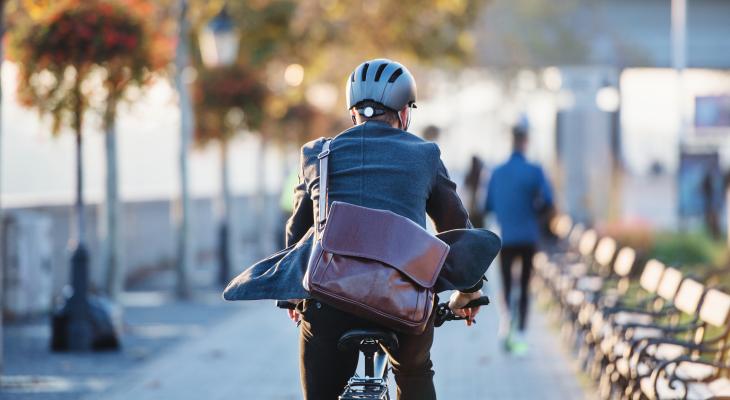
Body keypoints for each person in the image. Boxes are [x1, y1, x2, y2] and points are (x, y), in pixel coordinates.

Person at [223, 58, 500, 400]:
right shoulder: (425, 155)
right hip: (405, 301)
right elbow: (457, 229)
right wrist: (469, 291)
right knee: (414, 372)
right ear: (404, 113)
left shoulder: (318, 154)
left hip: (329, 300)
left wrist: (295, 294)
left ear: (353, 112)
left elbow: (297, 235)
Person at [485, 117, 553, 356]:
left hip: (505, 237)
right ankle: (522, 332)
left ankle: (505, 324)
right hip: (528, 236)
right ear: (526, 142)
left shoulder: (497, 172)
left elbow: (488, 205)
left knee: (505, 284)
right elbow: (548, 202)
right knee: (524, 285)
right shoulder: (535, 171)